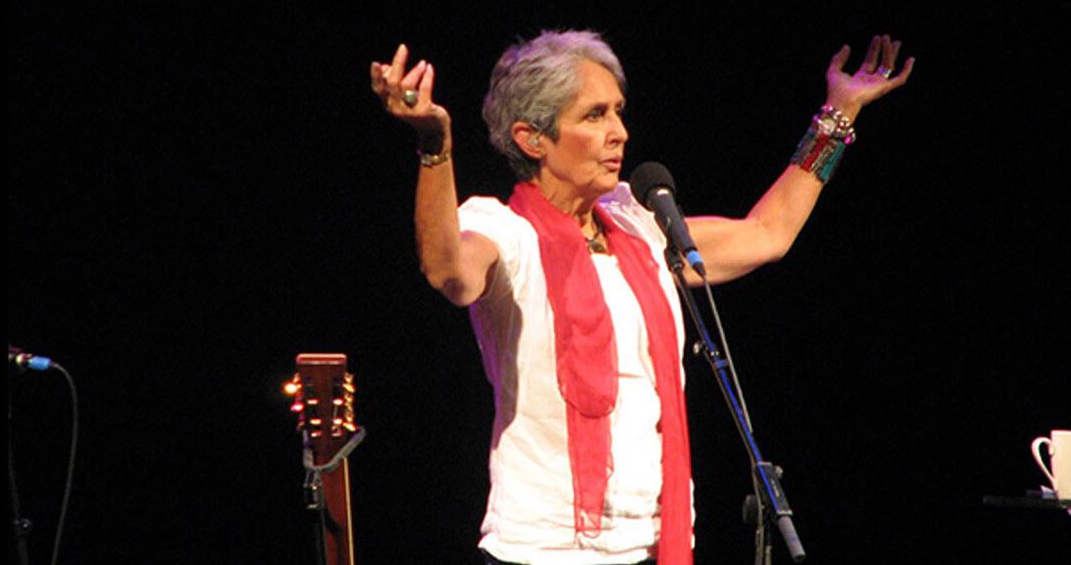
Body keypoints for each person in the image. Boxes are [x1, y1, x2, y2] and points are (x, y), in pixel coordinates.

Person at [370, 29, 912, 565]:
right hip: (542, 550)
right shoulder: (507, 233)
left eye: (618, 111)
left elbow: (769, 233)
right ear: (533, 140)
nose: (619, 132)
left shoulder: (640, 227)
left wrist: (838, 116)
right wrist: (435, 146)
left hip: (654, 545)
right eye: (594, 116)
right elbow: (448, 270)